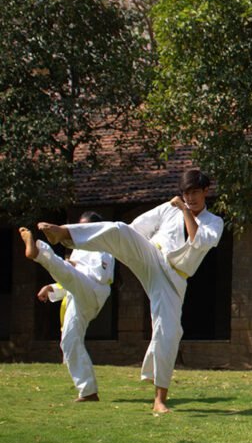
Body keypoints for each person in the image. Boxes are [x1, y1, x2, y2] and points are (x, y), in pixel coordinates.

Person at [37, 169, 224, 413]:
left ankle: (159, 399)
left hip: (174, 277)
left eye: (195, 193)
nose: (190, 198)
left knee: (168, 332)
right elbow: (137, 228)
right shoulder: (168, 209)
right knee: (119, 229)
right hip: (151, 256)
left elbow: (197, 240)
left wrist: (184, 210)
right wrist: (126, 247)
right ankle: (65, 233)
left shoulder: (214, 222)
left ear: (206, 192)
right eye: (186, 194)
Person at [19, 212, 114, 402]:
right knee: (69, 341)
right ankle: (88, 391)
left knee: (68, 270)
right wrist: (52, 288)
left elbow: (100, 276)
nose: (80, 230)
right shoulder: (77, 249)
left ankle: (39, 252)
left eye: (85, 227)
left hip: (94, 291)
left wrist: (73, 265)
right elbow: (72, 280)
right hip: (77, 294)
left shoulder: (104, 247)